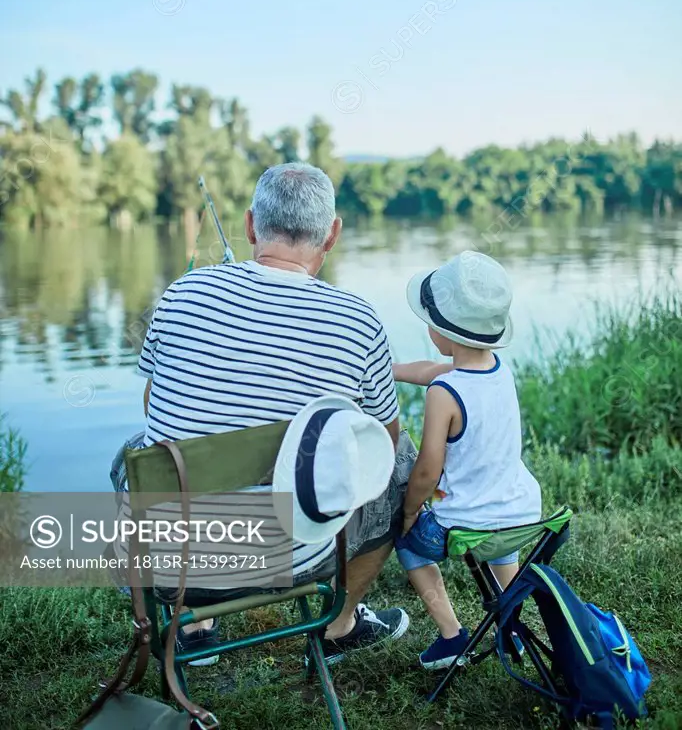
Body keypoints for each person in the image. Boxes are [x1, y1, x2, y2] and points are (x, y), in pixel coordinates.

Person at [137, 162, 415, 664]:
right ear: (332, 235)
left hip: (175, 563)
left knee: (142, 452)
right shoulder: (359, 320)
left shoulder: (180, 294)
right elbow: (385, 443)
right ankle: (339, 624)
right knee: (401, 461)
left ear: (250, 226)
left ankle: (194, 627)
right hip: (299, 554)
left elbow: (152, 403)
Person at [392, 250, 541, 670]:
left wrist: (408, 513)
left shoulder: (446, 394)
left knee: (408, 546)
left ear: (445, 333)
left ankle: (451, 636)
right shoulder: (497, 369)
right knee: (499, 545)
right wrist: (390, 368)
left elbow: (427, 470)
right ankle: (511, 630)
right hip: (520, 517)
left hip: (470, 525)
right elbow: (431, 371)